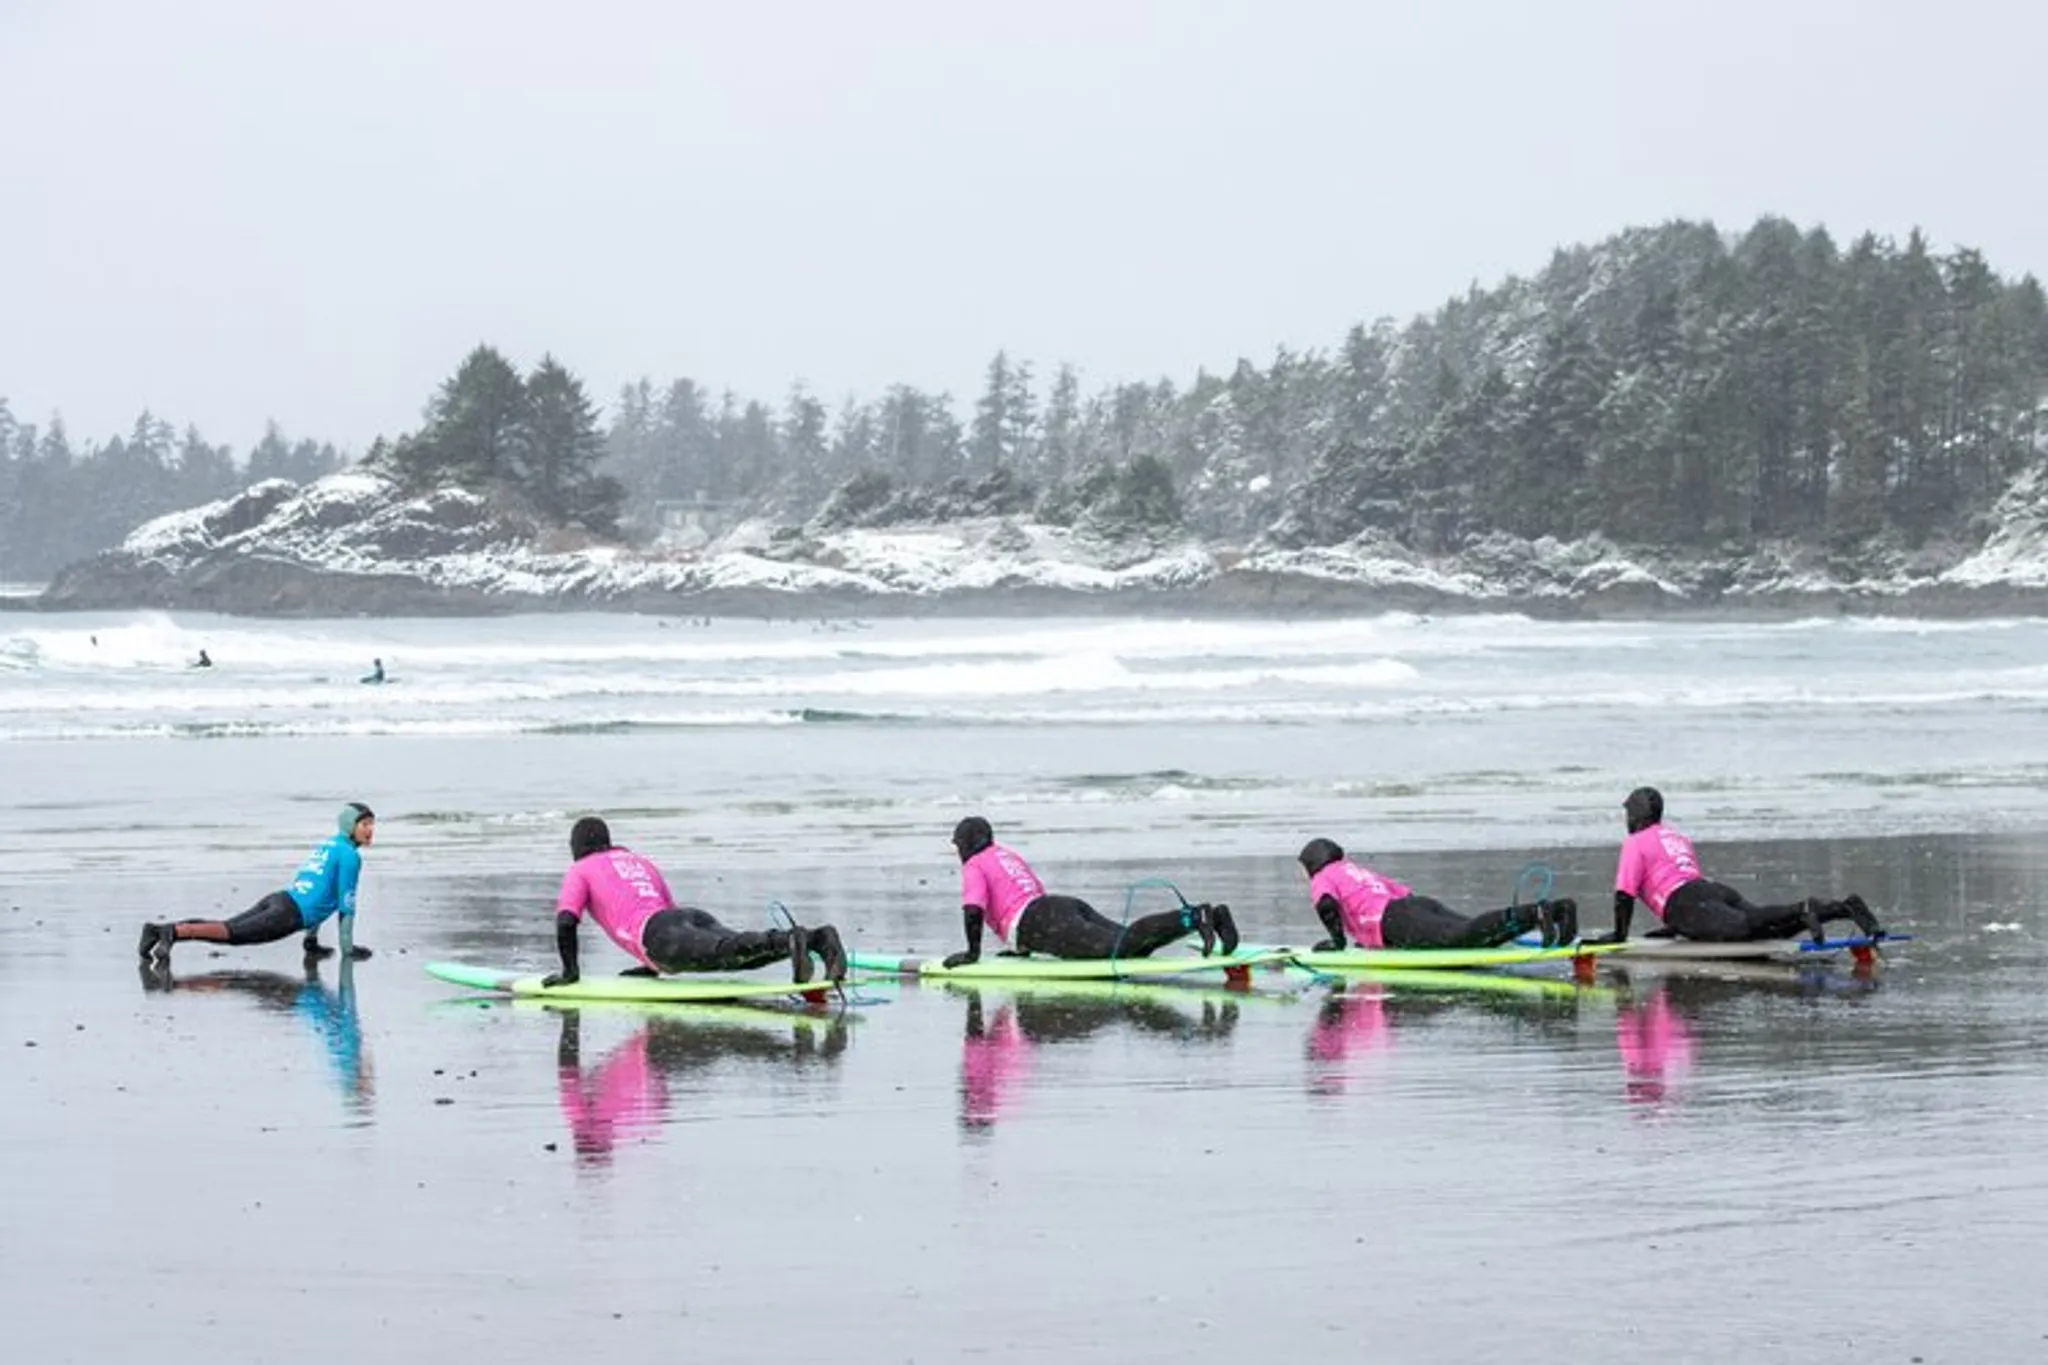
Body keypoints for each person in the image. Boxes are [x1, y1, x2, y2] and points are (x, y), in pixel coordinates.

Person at [544, 816, 846, 986]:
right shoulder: (637, 861)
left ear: (577, 847)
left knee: (730, 953)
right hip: (685, 918)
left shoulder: (580, 869)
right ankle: (817, 939)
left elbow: (566, 920)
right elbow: (660, 909)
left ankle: (793, 939)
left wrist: (570, 972)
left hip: (660, 934)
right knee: (738, 953)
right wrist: (650, 965)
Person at [1583, 786, 1883, 945]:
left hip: (1687, 902)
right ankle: (1843, 908)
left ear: (1636, 815)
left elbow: (1625, 893)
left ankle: (1804, 908)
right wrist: (1679, 928)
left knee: (1745, 929)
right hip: (1710, 891)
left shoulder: (1635, 842)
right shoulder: (1676, 836)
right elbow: (1686, 877)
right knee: (1763, 927)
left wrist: (1619, 935)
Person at [941, 815, 1236, 968]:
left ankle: (1198, 916)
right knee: (1135, 945)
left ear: (967, 843)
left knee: (1121, 950)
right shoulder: (1005, 855)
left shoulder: (974, 865)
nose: (958, 852)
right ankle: (1206, 917)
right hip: (1059, 907)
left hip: (1039, 921)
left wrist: (972, 953)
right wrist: (1023, 949)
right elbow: (1028, 893)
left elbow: (973, 911)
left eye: (958, 846)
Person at [138, 804, 377, 963]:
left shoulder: (330, 845)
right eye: (364, 824)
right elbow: (346, 905)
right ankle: (171, 932)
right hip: (289, 914)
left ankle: (156, 931)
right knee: (232, 933)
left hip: (282, 899)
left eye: (372, 824)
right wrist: (348, 949)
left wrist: (311, 942)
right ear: (350, 826)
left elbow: (323, 895)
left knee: (227, 925)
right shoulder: (350, 856)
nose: (370, 830)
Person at [1296, 837, 1577, 950]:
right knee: (1475, 935)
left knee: (1465, 937)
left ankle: (1538, 912)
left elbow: (1326, 906)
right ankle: (1553, 912)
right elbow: (1401, 894)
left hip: (1394, 918)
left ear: (1312, 863)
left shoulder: (1322, 877)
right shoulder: (1353, 870)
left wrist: (1337, 942)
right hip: (1413, 905)